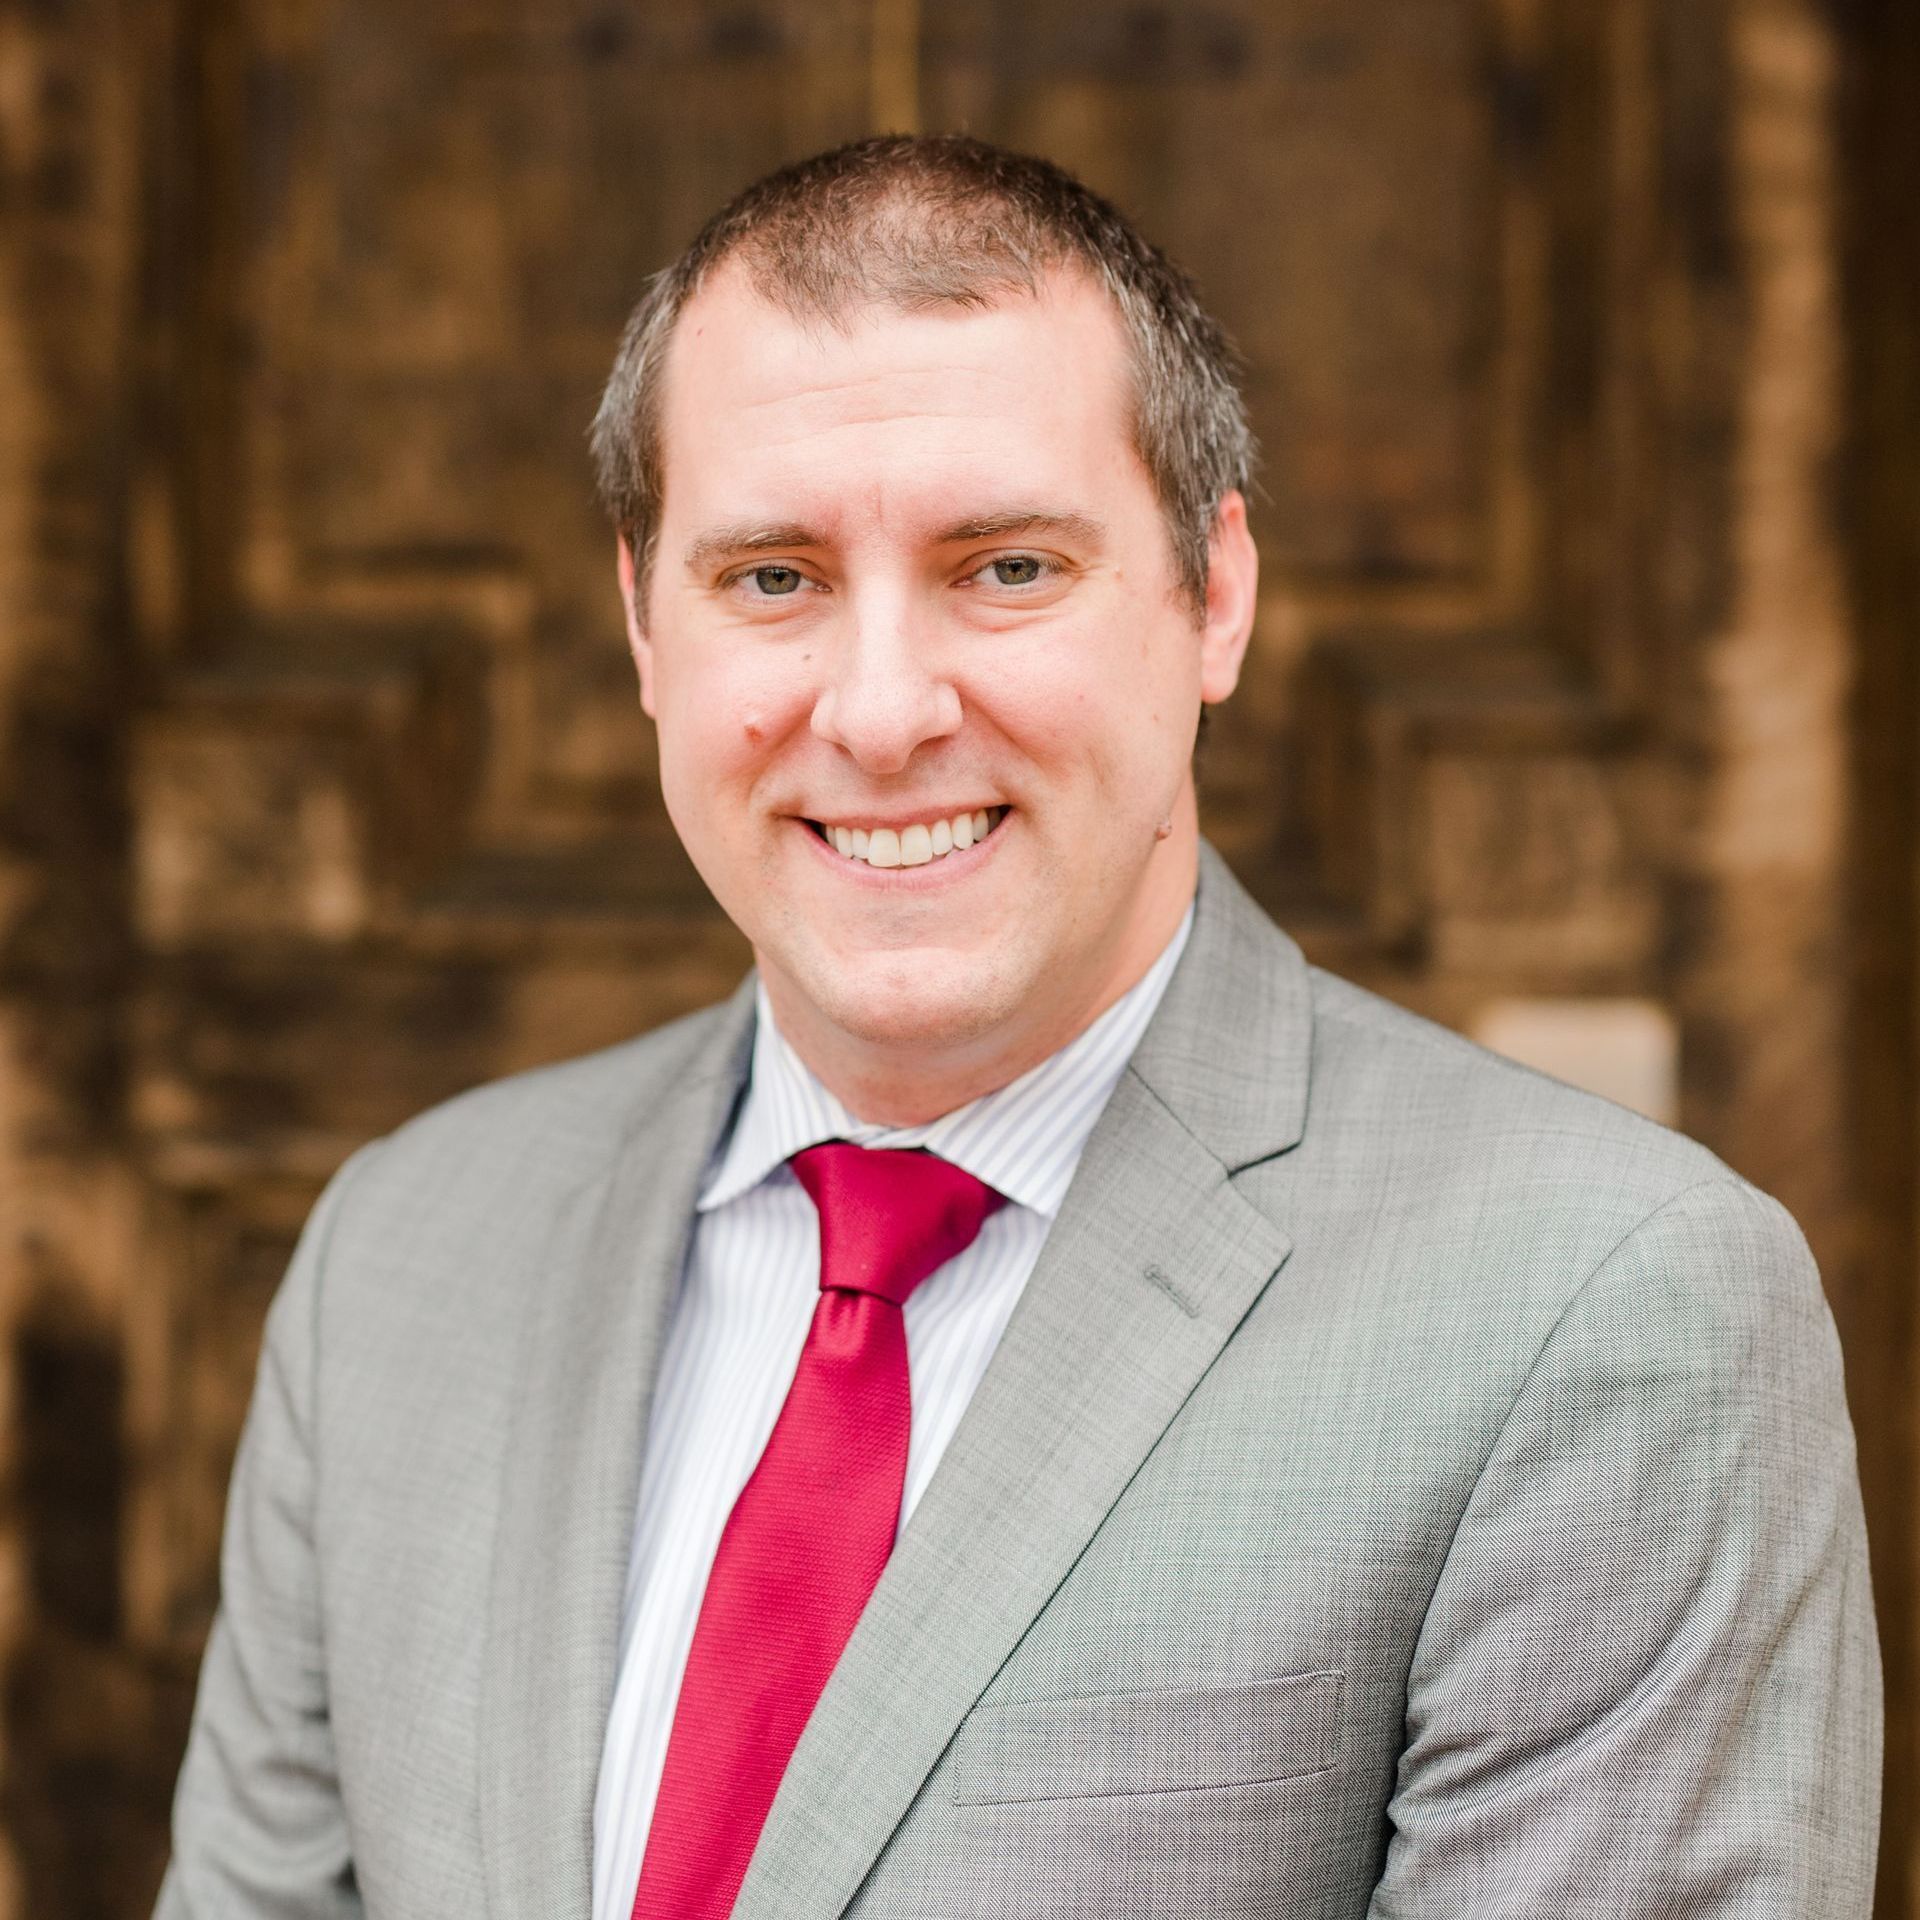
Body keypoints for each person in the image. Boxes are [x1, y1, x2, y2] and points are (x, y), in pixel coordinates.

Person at [155, 134, 1880, 1920]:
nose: (884, 710)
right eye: (773, 578)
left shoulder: (1610, 1308)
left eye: (1006, 568)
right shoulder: (401, 1260)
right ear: (641, 624)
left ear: (1214, 596)